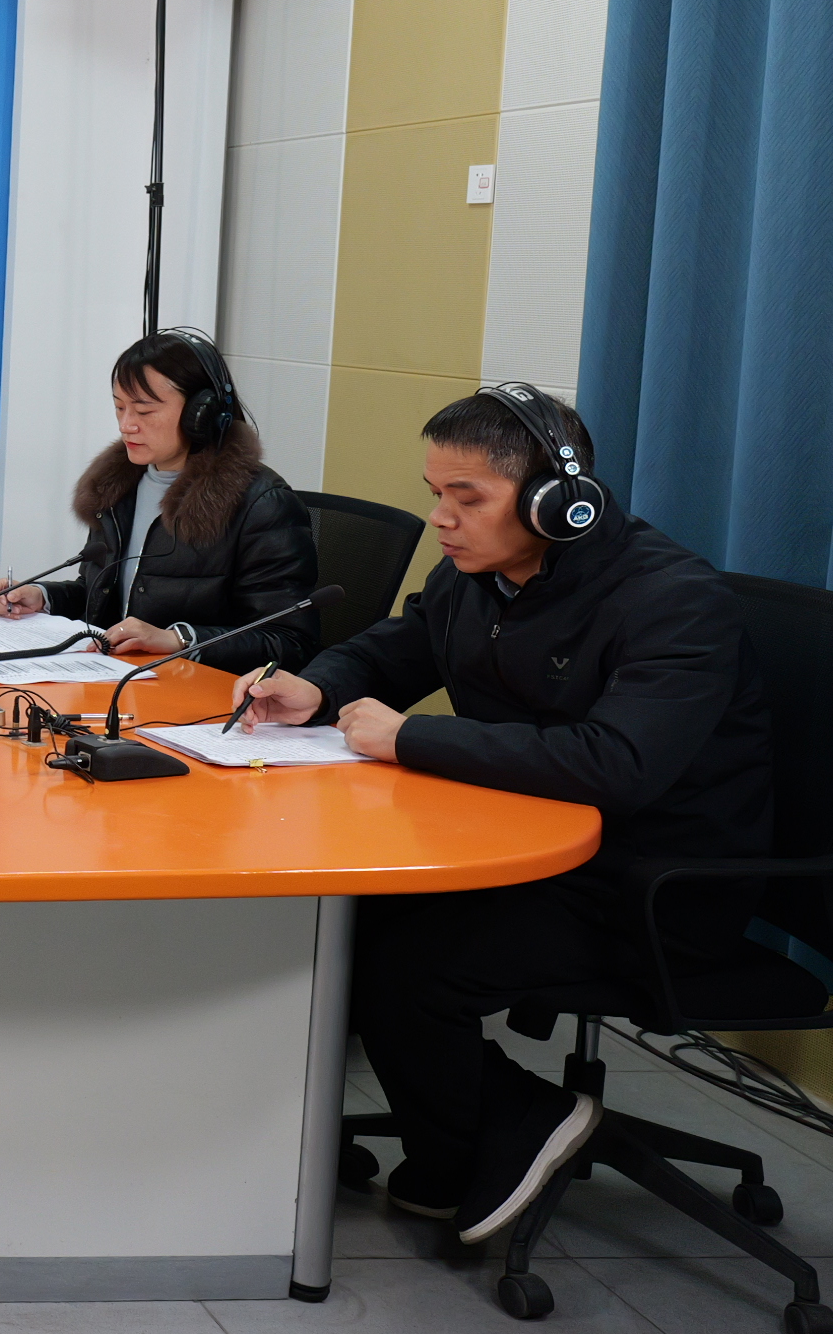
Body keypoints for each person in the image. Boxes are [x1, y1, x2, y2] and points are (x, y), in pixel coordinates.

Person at [232, 386, 770, 1247]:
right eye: (435, 493)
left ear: (559, 501)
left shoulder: (672, 600)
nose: (441, 518)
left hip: (648, 887)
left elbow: (617, 764)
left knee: (407, 965)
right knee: (336, 922)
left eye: (467, 497)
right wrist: (318, 687)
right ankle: (465, 1136)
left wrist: (412, 738)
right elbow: (395, 649)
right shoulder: (475, 577)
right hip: (522, 850)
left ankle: (507, 1126)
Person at [0, 327, 319, 670]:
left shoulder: (263, 504)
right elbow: (103, 598)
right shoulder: (115, 489)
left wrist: (179, 640)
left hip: (199, 689)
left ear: (201, 413)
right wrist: (43, 598)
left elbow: (290, 641)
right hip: (118, 677)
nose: (126, 425)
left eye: (144, 411)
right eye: (119, 407)